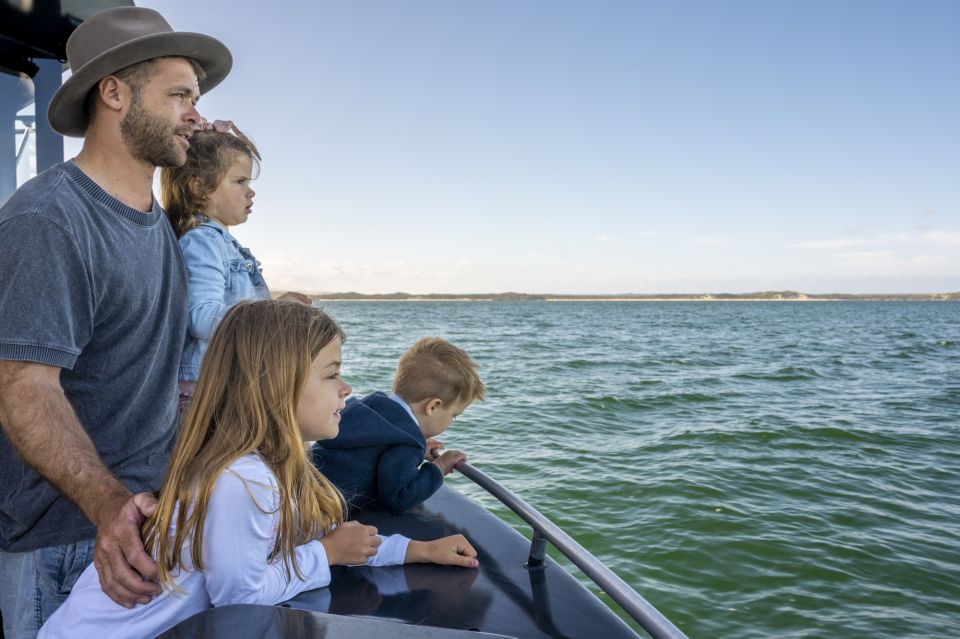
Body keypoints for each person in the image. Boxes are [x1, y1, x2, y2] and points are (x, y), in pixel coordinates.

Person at [39, 301, 479, 639]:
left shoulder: (274, 468)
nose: (347, 389)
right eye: (331, 375)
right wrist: (325, 554)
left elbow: (325, 541)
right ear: (276, 385)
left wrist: (416, 551)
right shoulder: (244, 479)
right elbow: (239, 597)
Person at [0, 7, 232, 636]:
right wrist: (109, 510)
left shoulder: (157, 220)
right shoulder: (50, 220)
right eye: (179, 94)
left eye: (197, 97)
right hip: (75, 543)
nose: (196, 112)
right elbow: (25, 389)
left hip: (151, 525)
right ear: (114, 93)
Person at [159, 125, 311, 403]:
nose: (250, 192)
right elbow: (202, 316)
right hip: (205, 390)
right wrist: (271, 314)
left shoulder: (219, 242)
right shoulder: (203, 241)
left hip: (220, 383)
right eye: (240, 181)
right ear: (199, 188)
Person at [312, 337, 485, 513]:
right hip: (316, 509)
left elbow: (372, 448)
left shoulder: (370, 405)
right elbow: (399, 497)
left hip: (302, 482)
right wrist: (439, 468)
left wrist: (418, 447)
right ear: (433, 406)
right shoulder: (407, 441)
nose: (451, 421)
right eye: (453, 416)